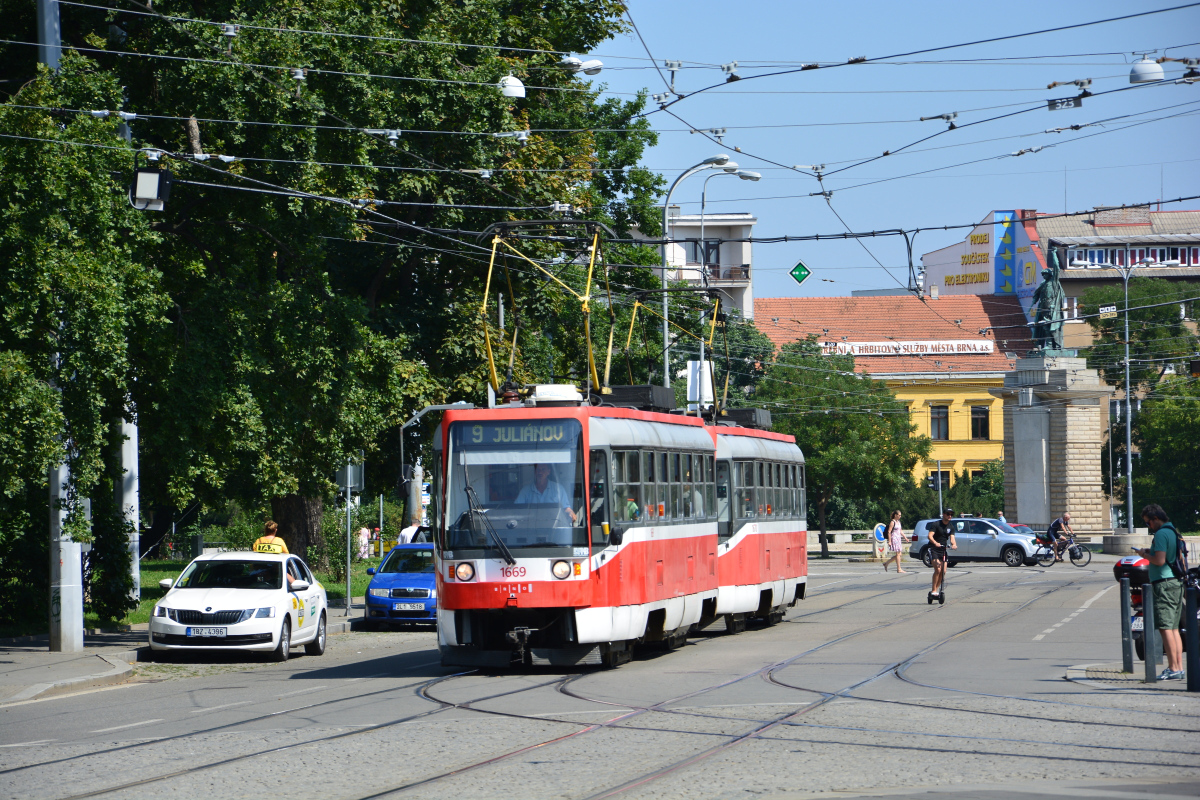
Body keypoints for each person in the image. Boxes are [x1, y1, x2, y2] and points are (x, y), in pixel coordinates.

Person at [1135, 504, 1185, 680]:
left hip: (1163, 584)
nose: (1149, 526)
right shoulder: (1173, 531)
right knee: (1174, 628)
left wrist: (1144, 555)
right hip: (1174, 582)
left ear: (1156, 519)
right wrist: (1151, 552)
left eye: (1149, 523)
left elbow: (1159, 560)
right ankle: (1178, 667)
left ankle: (1173, 668)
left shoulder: (1161, 534)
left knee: (1165, 628)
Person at [927, 508, 957, 604]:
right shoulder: (936, 524)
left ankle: (936, 590)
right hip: (934, 549)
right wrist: (935, 543)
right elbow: (930, 536)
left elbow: (952, 538)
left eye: (951, 514)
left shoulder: (951, 526)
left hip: (943, 549)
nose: (950, 516)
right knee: (938, 569)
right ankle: (933, 590)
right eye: (948, 514)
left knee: (943, 571)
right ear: (943, 514)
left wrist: (954, 544)